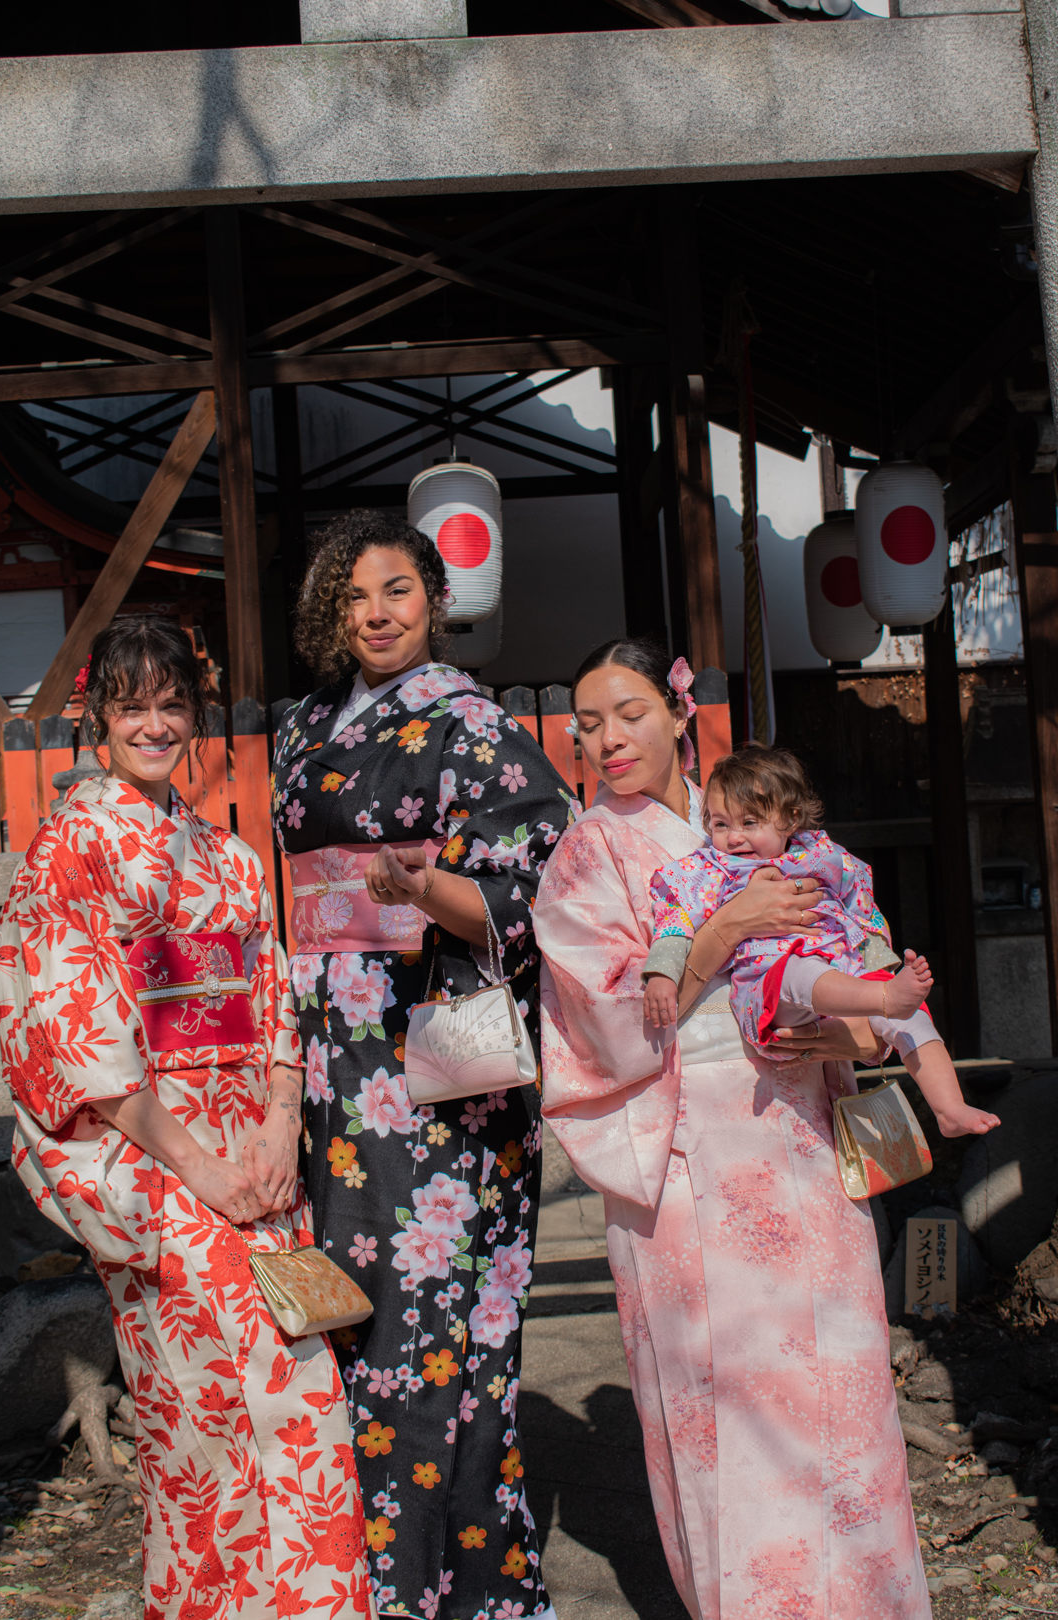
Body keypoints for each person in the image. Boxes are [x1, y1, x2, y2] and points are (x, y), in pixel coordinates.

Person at [532, 636, 932, 1620]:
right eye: (589, 724)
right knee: (729, 1413)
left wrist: (852, 1029)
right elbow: (604, 1022)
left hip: (799, 1131)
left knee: (840, 1393)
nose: (609, 739)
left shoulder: (756, 822)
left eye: (630, 713)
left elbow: (849, 946)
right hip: (689, 1155)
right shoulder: (589, 853)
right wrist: (723, 931)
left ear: (679, 713)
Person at [0, 617, 372, 1620]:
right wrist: (200, 1166)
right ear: (98, 717)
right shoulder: (74, 843)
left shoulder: (229, 856)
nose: (156, 725)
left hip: (255, 1161)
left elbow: (273, 999)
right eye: (133, 707)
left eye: (173, 705)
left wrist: (279, 1130)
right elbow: (72, 1031)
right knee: (210, 1411)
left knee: (295, 1392)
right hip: (160, 1166)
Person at [271, 509, 572, 1620]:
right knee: (352, 1315)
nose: (377, 615)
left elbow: (527, 881)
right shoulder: (308, 723)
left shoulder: (469, 720)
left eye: (396, 591)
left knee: (429, 1324)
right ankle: (364, 1576)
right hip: (326, 1053)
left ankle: (448, 1589)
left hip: (427, 1061)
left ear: (433, 600)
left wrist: (418, 888)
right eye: (355, 598)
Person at [642, 743, 1000, 1140]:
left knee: (911, 1015)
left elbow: (862, 906)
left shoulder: (823, 855)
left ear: (790, 819)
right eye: (720, 824)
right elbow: (674, 920)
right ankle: (882, 1000)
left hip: (843, 974)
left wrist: (877, 960)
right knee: (802, 970)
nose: (733, 837)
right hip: (770, 985)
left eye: (750, 822)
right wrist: (662, 973)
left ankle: (949, 1108)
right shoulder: (710, 868)